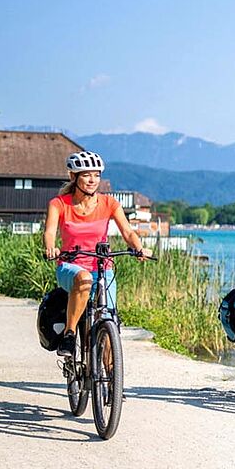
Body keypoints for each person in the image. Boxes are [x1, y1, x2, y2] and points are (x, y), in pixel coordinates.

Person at [43, 151, 152, 359]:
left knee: (109, 321)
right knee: (83, 279)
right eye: (86, 175)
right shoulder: (59, 204)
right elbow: (49, 232)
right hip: (71, 267)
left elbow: (128, 232)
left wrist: (138, 247)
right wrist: (51, 247)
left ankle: (113, 386)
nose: (93, 180)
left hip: (103, 268)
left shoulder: (109, 203)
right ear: (73, 177)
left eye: (96, 175)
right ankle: (69, 333)